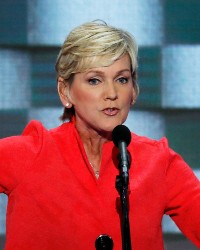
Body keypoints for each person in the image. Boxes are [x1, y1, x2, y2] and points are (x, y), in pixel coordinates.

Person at [0, 21, 200, 250]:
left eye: (122, 79)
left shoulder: (159, 162)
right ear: (65, 91)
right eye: (94, 80)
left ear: (133, 91)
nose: (112, 93)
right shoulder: (28, 154)